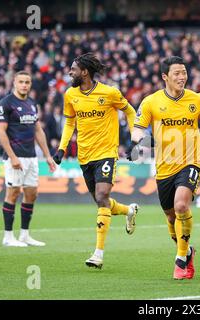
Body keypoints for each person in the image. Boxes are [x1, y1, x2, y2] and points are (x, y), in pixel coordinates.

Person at [127, 56, 200, 280]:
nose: (182, 77)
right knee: (170, 218)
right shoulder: (151, 102)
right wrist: (141, 140)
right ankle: (188, 252)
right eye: (177, 73)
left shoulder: (197, 99)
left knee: (180, 205)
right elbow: (137, 129)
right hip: (164, 167)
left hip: (191, 161)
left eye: (184, 72)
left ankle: (179, 260)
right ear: (165, 77)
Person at [53, 53, 139, 269]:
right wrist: (62, 148)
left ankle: (98, 254)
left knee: (102, 196)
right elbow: (70, 122)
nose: (70, 72)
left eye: (73, 69)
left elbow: (129, 111)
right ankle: (129, 210)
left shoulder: (109, 92)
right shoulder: (70, 95)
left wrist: (134, 139)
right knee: (102, 201)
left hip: (106, 153)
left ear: (85, 72)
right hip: (85, 155)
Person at [0, 71, 56, 247]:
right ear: (14, 82)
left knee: (31, 194)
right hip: (14, 156)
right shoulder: (6, 103)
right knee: (13, 193)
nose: (24, 85)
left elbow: (38, 130)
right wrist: (13, 157)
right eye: (21, 81)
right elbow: (1, 131)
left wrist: (47, 155)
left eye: (27, 82)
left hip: (31, 157)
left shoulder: (31, 103)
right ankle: (8, 237)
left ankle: (24, 235)